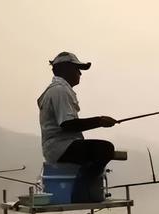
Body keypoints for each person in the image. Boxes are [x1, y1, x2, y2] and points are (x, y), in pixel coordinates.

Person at [37, 52, 117, 200]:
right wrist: (100, 121)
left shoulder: (59, 89)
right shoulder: (59, 90)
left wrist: (99, 121)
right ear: (65, 69)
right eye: (77, 69)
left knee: (99, 151)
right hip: (60, 147)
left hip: (59, 147)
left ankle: (86, 189)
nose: (80, 73)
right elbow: (68, 125)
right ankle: (81, 192)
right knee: (105, 149)